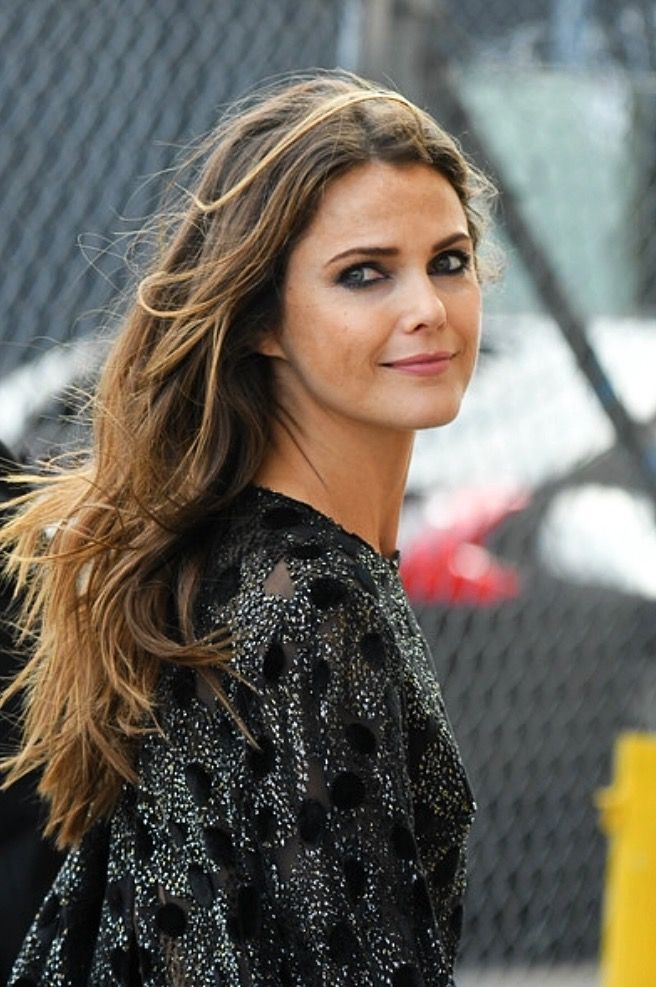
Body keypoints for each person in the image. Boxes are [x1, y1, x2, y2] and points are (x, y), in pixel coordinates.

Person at [1, 69, 496, 986]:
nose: (427, 306)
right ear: (264, 319)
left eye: (449, 260)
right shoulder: (306, 598)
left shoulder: (247, 562)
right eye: (364, 274)